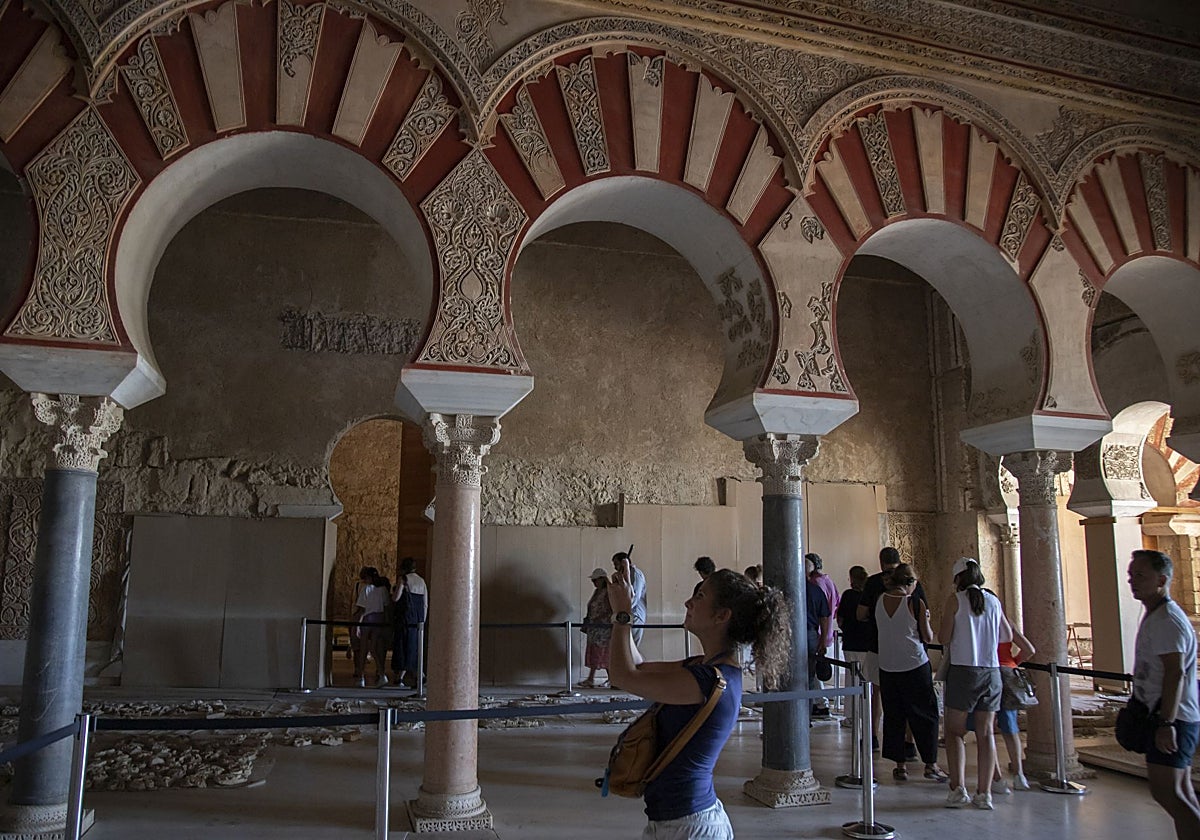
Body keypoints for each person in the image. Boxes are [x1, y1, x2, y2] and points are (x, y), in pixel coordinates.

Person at [607, 559, 790, 839]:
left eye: (700, 596)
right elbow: (639, 667)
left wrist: (621, 614)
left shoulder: (709, 680)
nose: (688, 602)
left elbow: (622, 676)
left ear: (722, 616)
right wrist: (626, 610)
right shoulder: (706, 668)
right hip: (682, 821)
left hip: (690, 826)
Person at [1128, 549, 1200, 839]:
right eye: (1132, 576)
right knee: (1179, 792)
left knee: (1168, 792)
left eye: (1140, 576)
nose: (1133, 581)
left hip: (1173, 717)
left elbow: (1175, 673)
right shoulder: (1157, 615)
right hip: (1169, 715)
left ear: (1162, 579)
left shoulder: (1168, 620)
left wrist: (1166, 723)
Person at [939, 557, 1012, 810]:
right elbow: (1007, 635)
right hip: (991, 671)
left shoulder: (955, 600)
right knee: (986, 733)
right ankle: (985, 793)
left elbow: (943, 636)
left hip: (963, 670)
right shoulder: (993, 601)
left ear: (958, 578)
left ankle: (958, 788)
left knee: (954, 732)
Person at [874, 563, 947, 783]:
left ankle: (901, 765)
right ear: (909, 582)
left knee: (895, 715)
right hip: (914, 664)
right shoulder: (914, 603)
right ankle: (931, 764)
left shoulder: (880, 600)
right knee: (925, 714)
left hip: (887, 665)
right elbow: (926, 636)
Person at [857, 547, 927, 750]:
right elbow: (924, 615)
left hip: (879, 646)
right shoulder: (913, 582)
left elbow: (861, 614)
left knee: (876, 695)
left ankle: (873, 738)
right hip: (910, 650)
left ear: (881, 563)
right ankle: (909, 743)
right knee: (910, 699)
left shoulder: (874, 583)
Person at [965, 617, 1036, 793]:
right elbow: (1029, 650)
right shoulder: (1006, 623)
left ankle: (996, 779)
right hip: (1007, 673)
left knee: (986, 729)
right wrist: (1013, 662)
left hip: (986, 672)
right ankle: (1019, 775)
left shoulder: (978, 623)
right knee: (1010, 728)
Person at [836, 565, 871, 729]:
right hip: (867, 643)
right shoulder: (869, 595)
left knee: (851, 680)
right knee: (867, 680)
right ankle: (867, 713)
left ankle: (850, 716)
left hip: (851, 642)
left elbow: (841, 619)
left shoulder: (848, 595)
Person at [806, 554, 837, 718]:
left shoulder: (815, 584)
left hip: (812, 633)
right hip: (819, 633)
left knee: (810, 674)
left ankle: (816, 706)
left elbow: (823, 615)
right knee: (811, 674)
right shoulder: (827, 582)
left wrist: (822, 638)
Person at [391, 557, 428, 689]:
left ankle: (400, 677)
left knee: (403, 646)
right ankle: (419, 675)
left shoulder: (404, 580)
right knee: (414, 647)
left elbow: (396, 598)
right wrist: (422, 620)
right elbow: (425, 604)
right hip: (418, 618)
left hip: (405, 617)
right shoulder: (421, 581)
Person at [352, 566, 390, 688]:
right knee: (373, 648)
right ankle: (382, 673)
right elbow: (386, 607)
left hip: (367, 619)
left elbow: (362, 610)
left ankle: (361, 676)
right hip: (379, 620)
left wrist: (357, 625)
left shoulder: (366, 589)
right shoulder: (383, 589)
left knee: (363, 649)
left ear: (368, 578)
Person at [579, 568, 613, 688]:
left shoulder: (608, 592)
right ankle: (592, 678)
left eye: (595, 580)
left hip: (603, 627)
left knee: (603, 652)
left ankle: (608, 678)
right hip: (594, 627)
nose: (593, 583)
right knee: (595, 651)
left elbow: (610, 609)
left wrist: (599, 618)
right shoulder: (597, 592)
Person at [612, 551, 648, 644]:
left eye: (616, 564)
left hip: (634, 615)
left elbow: (633, 598)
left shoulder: (635, 574)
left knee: (631, 649)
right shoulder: (622, 576)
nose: (615, 567)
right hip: (625, 616)